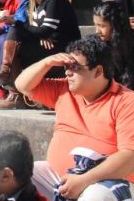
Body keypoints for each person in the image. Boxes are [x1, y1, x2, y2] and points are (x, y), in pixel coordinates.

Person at [16, 38, 134, 200]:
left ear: (98, 71)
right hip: (58, 178)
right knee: (16, 176)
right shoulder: (64, 89)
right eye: (66, 66)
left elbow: (129, 157)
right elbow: (22, 85)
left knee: (95, 197)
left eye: (75, 67)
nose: (67, 72)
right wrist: (46, 63)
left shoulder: (127, 101)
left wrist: (83, 180)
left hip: (106, 182)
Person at [0, 0, 80, 109]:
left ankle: (11, 82)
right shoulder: (34, 2)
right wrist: (40, 33)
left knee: (16, 31)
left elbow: (45, 30)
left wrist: (34, 30)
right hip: (47, 45)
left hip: (64, 48)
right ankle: (13, 86)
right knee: (16, 36)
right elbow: (38, 31)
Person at [92, 2, 134, 89]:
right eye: (95, 25)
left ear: (115, 26)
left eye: (102, 26)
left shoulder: (130, 44)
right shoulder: (96, 44)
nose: (97, 31)